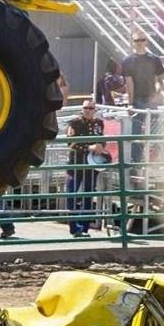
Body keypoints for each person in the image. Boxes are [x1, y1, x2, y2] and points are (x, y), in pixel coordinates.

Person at [121, 31, 164, 162]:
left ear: (146, 41)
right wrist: (130, 103)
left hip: (151, 100)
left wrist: (157, 93)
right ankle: (137, 160)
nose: (139, 43)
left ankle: (154, 160)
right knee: (136, 133)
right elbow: (129, 84)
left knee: (154, 132)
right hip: (137, 100)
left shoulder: (154, 59)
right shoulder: (127, 61)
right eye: (137, 40)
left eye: (142, 40)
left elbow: (160, 79)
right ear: (133, 43)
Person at [65, 100, 106, 237]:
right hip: (76, 163)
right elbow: (70, 143)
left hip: (91, 164)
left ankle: (84, 227)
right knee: (71, 194)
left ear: (95, 109)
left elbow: (101, 139)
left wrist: (100, 148)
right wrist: (89, 147)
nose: (88, 110)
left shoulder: (98, 123)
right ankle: (74, 227)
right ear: (82, 109)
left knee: (88, 195)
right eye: (85, 108)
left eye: (91, 108)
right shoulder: (75, 123)